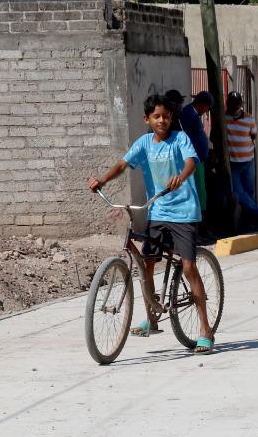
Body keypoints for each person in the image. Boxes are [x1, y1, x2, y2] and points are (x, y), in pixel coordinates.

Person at [89, 93, 216, 353]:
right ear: (147, 119)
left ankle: (205, 329)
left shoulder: (180, 139)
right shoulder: (145, 143)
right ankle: (152, 319)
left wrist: (181, 177)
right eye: (156, 116)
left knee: (189, 266)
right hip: (157, 211)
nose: (162, 120)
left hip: (184, 212)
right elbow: (122, 164)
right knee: (146, 263)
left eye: (166, 116)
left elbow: (191, 162)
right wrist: (102, 180)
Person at [224, 91, 258, 230]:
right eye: (232, 106)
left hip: (248, 161)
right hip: (233, 164)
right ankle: (257, 212)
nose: (234, 109)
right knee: (239, 193)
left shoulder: (249, 119)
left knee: (249, 192)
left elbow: (253, 136)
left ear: (240, 105)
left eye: (236, 106)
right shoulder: (224, 118)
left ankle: (249, 222)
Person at [171, 89, 212, 212]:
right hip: (193, 160)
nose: (206, 111)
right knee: (198, 191)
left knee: (200, 190)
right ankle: (199, 219)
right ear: (203, 105)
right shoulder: (189, 114)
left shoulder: (193, 114)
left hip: (198, 159)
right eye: (208, 108)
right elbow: (184, 137)